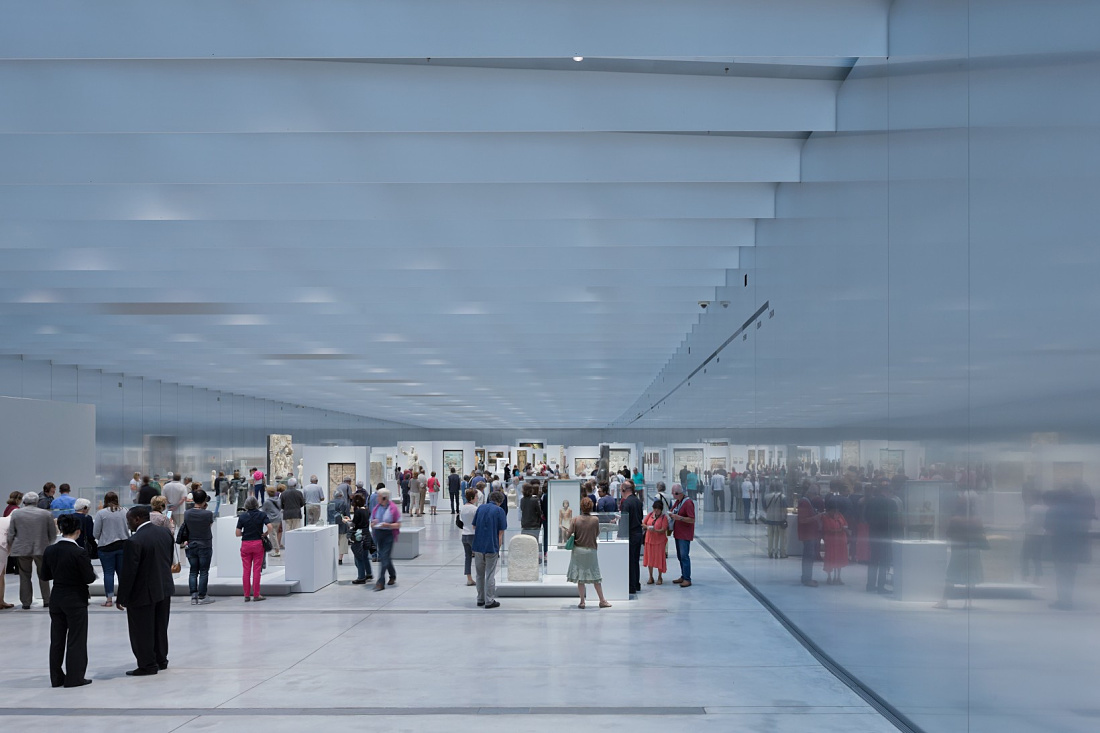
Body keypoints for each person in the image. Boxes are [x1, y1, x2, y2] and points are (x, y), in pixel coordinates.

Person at [116, 505, 175, 676]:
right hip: (164, 588)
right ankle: (161, 659)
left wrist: (122, 597)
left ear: (137, 519)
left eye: (128, 521)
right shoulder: (164, 533)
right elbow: (168, 559)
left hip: (142, 592)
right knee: (160, 626)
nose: (128, 525)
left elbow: (129, 573)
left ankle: (147, 664)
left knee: (141, 630)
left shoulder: (134, 541)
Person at [39, 514, 97, 687]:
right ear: (78, 531)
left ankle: (56, 677)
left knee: (56, 639)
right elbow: (88, 578)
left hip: (56, 598)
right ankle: (75, 677)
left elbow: (44, 575)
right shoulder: (79, 552)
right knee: (76, 639)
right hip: (75, 600)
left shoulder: (50, 550)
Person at [6, 492, 56, 609]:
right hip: (41, 548)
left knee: (24, 575)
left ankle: (26, 602)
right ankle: (47, 600)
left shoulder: (16, 514)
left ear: (24, 502)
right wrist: (49, 543)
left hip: (22, 548)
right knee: (43, 575)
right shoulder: (45, 514)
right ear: (37, 501)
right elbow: (53, 534)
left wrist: (11, 545)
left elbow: (11, 533)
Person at [564, 497, 611, 609]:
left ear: (581, 506)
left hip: (578, 551)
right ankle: (602, 600)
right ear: (591, 507)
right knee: (595, 576)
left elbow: (567, 535)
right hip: (591, 550)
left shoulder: (575, 520)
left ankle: (582, 602)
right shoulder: (595, 520)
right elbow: (597, 533)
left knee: (580, 578)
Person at [471, 490, 508, 609]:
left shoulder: (480, 508)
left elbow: (474, 526)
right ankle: (489, 600)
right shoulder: (499, 511)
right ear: (500, 501)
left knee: (479, 574)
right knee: (490, 574)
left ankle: (480, 598)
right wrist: (499, 548)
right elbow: (501, 533)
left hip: (478, 545)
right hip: (491, 546)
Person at [93, 492, 130, 608]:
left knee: (108, 573)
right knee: (122, 574)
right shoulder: (125, 511)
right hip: (123, 545)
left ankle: (109, 599)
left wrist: (103, 537)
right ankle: (123, 599)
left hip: (106, 547)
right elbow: (129, 526)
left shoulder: (101, 513)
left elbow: (96, 533)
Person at [180, 489, 215, 605]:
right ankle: (202, 595)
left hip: (191, 544)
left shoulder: (187, 513)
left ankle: (193, 596)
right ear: (205, 500)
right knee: (204, 571)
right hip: (205, 544)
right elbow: (209, 526)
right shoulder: (208, 514)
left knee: (193, 571)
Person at [236, 496, 270, 602]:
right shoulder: (262, 514)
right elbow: (270, 526)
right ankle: (256, 594)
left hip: (245, 544)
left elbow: (237, 533)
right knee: (256, 570)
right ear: (256, 504)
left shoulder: (243, 516)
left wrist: (244, 533)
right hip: (257, 544)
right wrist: (265, 534)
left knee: (246, 570)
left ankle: (246, 595)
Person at [370, 489, 401, 591]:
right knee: (385, 556)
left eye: (379, 496)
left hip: (388, 534)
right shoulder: (376, 508)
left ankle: (380, 582)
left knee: (383, 557)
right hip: (379, 534)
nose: (377, 498)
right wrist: (373, 523)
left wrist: (388, 525)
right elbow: (371, 522)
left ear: (384, 497)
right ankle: (392, 575)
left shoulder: (393, 508)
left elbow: (398, 524)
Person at [668, 484, 695, 588]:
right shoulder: (678, 502)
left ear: (677, 493)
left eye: (673, 493)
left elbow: (692, 519)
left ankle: (687, 578)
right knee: (680, 556)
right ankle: (684, 575)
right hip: (678, 532)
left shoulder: (688, 503)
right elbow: (673, 510)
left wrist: (680, 518)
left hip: (684, 534)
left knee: (684, 556)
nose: (672, 495)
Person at [343, 493, 374, 585]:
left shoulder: (357, 512)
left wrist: (346, 521)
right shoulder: (367, 510)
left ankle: (361, 577)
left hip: (358, 536)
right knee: (365, 556)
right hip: (366, 534)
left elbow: (353, 525)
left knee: (358, 557)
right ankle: (368, 573)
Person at [797, 484, 824, 587]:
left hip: (810, 533)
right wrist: (816, 517)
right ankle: (807, 578)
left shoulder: (806, 502)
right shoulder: (804, 502)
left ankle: (806, 577)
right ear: (812, 493)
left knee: (809, 556)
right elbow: (802, 520)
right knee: (808, 556)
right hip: (808, 534)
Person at [620, 480, 644, 594]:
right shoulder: (638, 502)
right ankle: (636, 583)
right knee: (635, 560)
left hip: (630, 534)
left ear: (624, 490)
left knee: (630, 561)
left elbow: (625, 522)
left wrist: (621, 535)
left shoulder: (626, 503)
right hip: (638, 533)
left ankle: (631, 586)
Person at [822, 498, 850, 585]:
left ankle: (838, 577)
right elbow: (827, 529)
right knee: (830, 559)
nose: (835, 512)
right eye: (834, 510)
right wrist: (841, 529)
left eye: (837, 510)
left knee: (839, 559)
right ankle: (829, 577)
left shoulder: (840, 515)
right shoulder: (825, 517)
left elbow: (845, 524)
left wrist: (844, 529)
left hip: (840, 541)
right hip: (831, 541)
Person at [643, 499, 669, 585]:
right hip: (649, 540)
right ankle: (650, 576)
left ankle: (659, 576)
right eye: (655, 508)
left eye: (658, 509)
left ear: (661, 509)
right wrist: (647, 527)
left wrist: (655, 530)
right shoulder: (650, 515)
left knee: (659, 559)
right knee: (649, 558)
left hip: (659, 541)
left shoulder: (664, 518)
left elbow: (663, 529)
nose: (656, 511)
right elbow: (643, 523)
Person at [762, 483, 788, 559]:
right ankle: (781, 553)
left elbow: (764, 508)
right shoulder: (783, 497)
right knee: (782, 537)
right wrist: (785, 517)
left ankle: (770, 552)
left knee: (770, 537)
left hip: (770, 519)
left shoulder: (766, 497)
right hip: (780, 520)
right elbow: (784, 509)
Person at [459, 487, 478, 586]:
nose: (477, 498)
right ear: (472, 497)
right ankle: (480, 576)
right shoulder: (475, 509)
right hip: (473, 534)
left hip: (464, 535)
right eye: (476, 496)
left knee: (468, 557)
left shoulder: (462, 508)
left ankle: (469, 578)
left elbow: (460, 521)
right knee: (479, 557)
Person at [519, 482, 543, 552]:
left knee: (525, 542)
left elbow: (522, 509)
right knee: (534, 542)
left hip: (525, 524)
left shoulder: (522, 500)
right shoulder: (535, 500)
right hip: (534, 524)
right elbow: (539, 512)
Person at [261, 487, 283, 558]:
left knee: (273, 535)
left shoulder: (267, 502)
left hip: (271, 519)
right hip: (278, 519)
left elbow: (263, 510)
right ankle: (275, 549)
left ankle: (277, 551)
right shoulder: (278, 500)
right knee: (275, 534)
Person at [330, 489, 349, 565]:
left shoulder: (330, 503)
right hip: (342, 524)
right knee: (343, 541)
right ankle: (340, 558)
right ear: (341, 495)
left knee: (333, 541)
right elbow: (347, 515)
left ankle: (332, 557)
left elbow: (329, 514)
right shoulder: (344, 503)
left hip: (333, 524)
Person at [0, 510, 12, 609]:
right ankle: (1, 601)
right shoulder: (13, 522)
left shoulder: (3, 519)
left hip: (2, 546)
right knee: (1, 575)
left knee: (1, 574)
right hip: (1, 546)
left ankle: (1, 601)